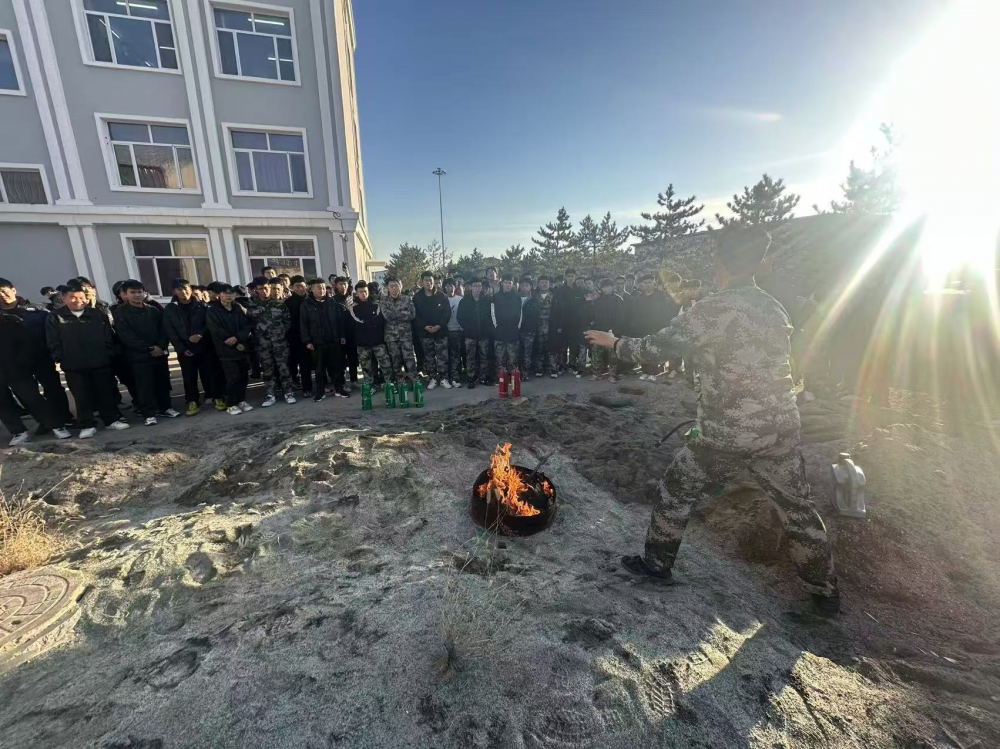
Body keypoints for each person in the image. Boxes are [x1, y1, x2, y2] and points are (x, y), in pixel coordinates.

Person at [586, 228, 839, 614]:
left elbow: (656, 348)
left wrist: (614, 342)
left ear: (720, 265)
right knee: (796, 507)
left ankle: (657, 565)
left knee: (676, 489)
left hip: (729, 431)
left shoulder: (712, 309)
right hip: (780, 426)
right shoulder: (773, 308)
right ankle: (824, 590)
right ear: (758, 264)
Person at [45, 283, 130, 437]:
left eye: (81, 297)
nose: (78, 301)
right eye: (72, 297)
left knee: (105, 393)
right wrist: (61, 358)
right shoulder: (55, 316)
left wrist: (108, 353)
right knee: (81, 396)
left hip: (100, 361)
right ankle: (87, 424)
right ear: (64, 299)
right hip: (73, 365)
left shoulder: (97, 314)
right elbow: (53, 340)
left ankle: (111, 420)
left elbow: (108, 336)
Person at [0, 278, 72, 444]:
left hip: (41, 357)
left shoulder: (36, 310)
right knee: (26, 395)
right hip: (12, 363)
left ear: (13, 290)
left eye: (4, 291)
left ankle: (61, 420)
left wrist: (55, 353)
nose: (2, 296)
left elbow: (52, 332)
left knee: (51, 390)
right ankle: (39, 424)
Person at [115, 280, 179, 426]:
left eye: (139, 292)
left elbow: (163, 330)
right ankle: (148, 414)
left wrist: (161, 346)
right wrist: (148, 348)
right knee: (144, 386)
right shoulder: (121, 313)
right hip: (139, 357)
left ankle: (165, 408)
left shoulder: (153, 310)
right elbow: (126, 336)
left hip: (159, 355)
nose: (137, 295)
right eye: (133, 292)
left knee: (162, 383)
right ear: (125, 294)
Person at [163, 278, 215, 416]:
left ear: (190, 289)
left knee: (208, 373)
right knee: (189, 376)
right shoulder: (170, 309)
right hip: (185, 349)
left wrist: (200, 335)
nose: (183, 292)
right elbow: (170, 330)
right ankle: (192, 400)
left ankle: (213, 395)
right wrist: (181, 348)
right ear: (174, 291)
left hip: (203, 346)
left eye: (186, 288)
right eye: (179, 289)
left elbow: (209, 324)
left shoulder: (201, 306)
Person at [248, 278, 297, 407]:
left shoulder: (279, 304)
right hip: (262, 344)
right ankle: (270, 395)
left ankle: (288, 392)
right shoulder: (251, 305)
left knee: (284, 368)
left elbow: (287, 321)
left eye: (266, 288)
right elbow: (249, 324)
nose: (264, 291)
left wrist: (279, 333)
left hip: (280, 343)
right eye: (260, 289)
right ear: (256, 290)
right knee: (267, 370)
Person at [206, 284, 254, 415]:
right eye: (225, 293)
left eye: (231, 293)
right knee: (233, 378)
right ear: (219, 295)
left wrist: (238, 338)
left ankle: (241, 400)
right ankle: (231, 403)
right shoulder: (213, 310)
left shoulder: (238, 307)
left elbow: (247, 324)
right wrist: (233, 342)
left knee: (243, 376)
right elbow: (216, 329)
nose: (228, 295)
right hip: (226, 349)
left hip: (242, 347)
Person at [300, 278, 350, 400]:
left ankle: (339, 389)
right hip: (317, 342)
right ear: (311, 289)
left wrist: (342, 335)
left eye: (323, 287)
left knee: (337, 367)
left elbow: (339, 320)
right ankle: (320, 392)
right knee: (319, 369)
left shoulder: (332, 302)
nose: (321, 290)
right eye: (318, 288)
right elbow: (303, 324)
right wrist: (307, 341)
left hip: (333, 340)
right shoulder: (306, 304)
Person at [629, 272, 680, 380]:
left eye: (649, 282)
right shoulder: (639, 297)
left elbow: (667, 313)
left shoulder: (661, 296)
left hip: (658, 328)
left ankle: (656, 372)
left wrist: (665, 328)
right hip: (643, 329)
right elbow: (635, 314)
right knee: (645, 350)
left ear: (654, 283)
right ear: (642, 284)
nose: (647, 285)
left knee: (656, 351)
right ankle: (646, 371)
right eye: (645, 283)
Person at [346, 281, 392, 386]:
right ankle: (370, 385)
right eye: (361, 292)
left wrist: (367, 322)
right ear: (356, 293)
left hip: (378, 341)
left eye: (365, 291)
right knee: (366, 367)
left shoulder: (376, 305)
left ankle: (389, 383)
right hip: (362, 343)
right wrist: (369, 322)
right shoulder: (353, 308)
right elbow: (355, 323)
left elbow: (379, 321)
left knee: (385, 365)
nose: (363, 294)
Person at [413, 271, 451, 389]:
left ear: (434, 281)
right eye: (426, 280)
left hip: (440, 332)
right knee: (429, 357)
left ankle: (443, 378)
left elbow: (447, 312)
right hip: (425, 333)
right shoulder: (417, 297)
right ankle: (432, 378)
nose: (428, 282)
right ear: (422, 282)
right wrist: (424, 326)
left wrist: (439, 325)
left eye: (430, 280)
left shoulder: (441, 296)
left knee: (442, 357)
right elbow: (415, 315)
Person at [379, 277, 419, 384]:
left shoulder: (407, 299)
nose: (394, 288)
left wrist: (395, 314)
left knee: (409, 359)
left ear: (400, 286)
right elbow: (387, 316)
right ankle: (399, 380)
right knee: (395, 360)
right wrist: (403, 313)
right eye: (391, 286)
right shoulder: (384, 301)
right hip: (391, 336)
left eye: (396, 285)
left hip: (406, 335)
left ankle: (414, 380)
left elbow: (412, 314)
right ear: (387, 288)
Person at [457, 279, 489, 388]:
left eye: (479, 286)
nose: (477, 288)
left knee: (484, 356)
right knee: (470, 357)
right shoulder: (464, 301)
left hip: (484, 334)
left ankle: (483, 377)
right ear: (471, 287)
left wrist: (487, 329)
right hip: (470, 335)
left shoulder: (486, 300)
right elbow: (460, 317)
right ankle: (471, 378)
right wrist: (467, 328)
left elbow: (490, 316)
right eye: (475, 286)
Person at [590, 278, 625, 380]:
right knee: (597, 353)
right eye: (603, 287)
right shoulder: (597, 300)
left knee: (612, 355)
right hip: (599, 331)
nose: (605, 289)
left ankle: (612, 375)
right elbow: (593, 315)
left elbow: (621, 317)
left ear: (612, 287)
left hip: (612, 332)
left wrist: (615, 331)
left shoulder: (618, 300)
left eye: (608, 287)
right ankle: (596, 374)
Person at [285, 275, 311, 397]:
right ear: (291, 287)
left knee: (310, 364)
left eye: (302, 286)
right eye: (297, 286)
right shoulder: (288, 303)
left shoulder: (311, 300)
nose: (300, 289)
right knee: (299, 362)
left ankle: (313, 386)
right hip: (295, 337)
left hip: (312, 336)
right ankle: (305, 388)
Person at [490, 275, 522, 373]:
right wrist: (496, 326)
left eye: (510, 283)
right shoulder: (496, 297)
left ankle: (513, 378)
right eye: (506, 283)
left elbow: (520, 313)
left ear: (513, 284)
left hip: (513, 331)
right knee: (500, 359)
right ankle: (501, 378)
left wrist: (517, 326)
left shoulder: (517, 297)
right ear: (502, 283)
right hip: (499, 331)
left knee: (513, 359)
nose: (508, 285)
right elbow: (492, 313)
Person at [331, 276, 358, 385]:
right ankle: (342, 382)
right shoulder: (333, 300)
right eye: (340, 284)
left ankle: (354, 379)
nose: (343, 286)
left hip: (353, 333)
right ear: (336, 286)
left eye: (345, 284)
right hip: (340, 334)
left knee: (353, 357)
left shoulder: (353, 298)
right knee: (341, 360)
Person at [517, 276, 540, 380]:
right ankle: (516, 372)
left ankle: (525, 373)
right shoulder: (515, 298)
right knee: (517, 352)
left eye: (527, 285)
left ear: (531, 287)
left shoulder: (534, 300)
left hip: (529, 330)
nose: (524, 287)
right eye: (522, 285)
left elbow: (535, 314)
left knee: (527, 352)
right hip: (516, 330)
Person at [443, 277, 464, 387]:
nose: (449, 288)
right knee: (444, 356)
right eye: (447, 286)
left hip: (457, 331)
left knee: (456, 356)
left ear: (455, 287)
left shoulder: (460, 299)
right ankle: (445, 378)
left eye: (451, 285)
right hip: (444, 331)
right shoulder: (441, 299)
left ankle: (455, 378)